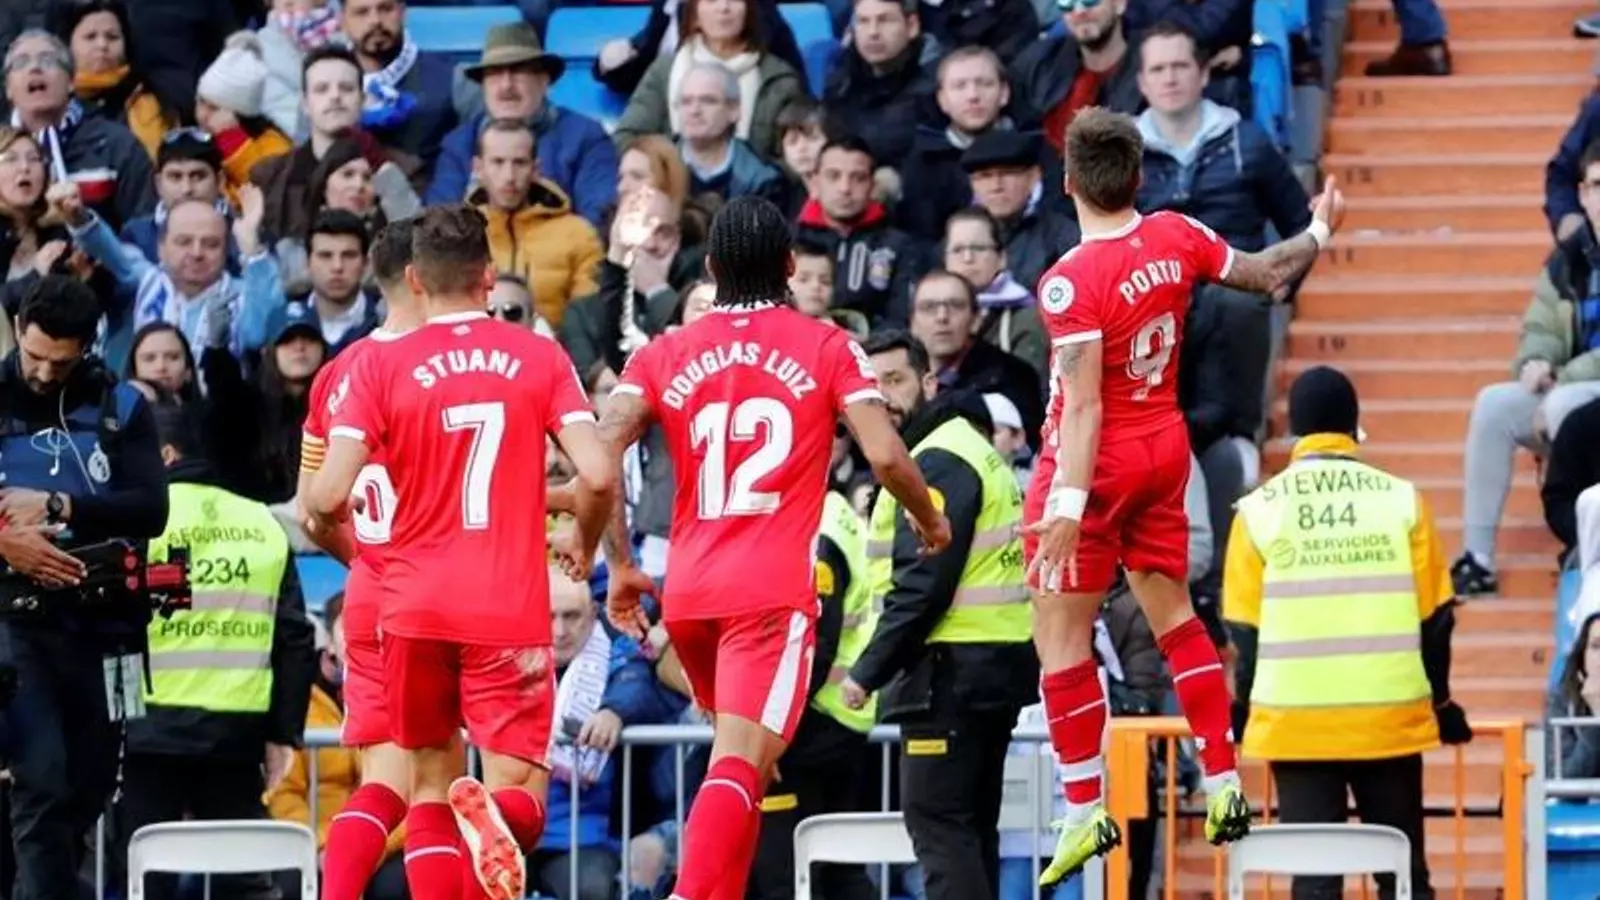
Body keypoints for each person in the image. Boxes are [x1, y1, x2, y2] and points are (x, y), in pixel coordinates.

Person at [592, 194, 951, 900]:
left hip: (689, 593)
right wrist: (929, 517)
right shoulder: (827, 345)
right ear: (790, 265)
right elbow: (884, 454)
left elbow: (601, 455)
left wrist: (624, 565)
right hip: (768, 593)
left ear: (712, 268)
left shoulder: (667, 350)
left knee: (748, 768)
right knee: (739, 762)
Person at [1023, 107, 1346, 884]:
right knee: (1173, 615)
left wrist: (1065, 508)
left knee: (1060, 639)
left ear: (1068, 183)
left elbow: (1085, 405)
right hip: (1166, 449)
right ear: (1139, 177)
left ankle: (1083, 808)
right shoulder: (1176, 234)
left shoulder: (1068, 282)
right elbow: (1265, 273)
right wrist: (1318, 231)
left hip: (1095, 461)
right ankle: (1225, 777)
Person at [307, 204, 619, 900]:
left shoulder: (376, 365)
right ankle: (499, 824)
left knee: (424, 791)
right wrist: (581, 535)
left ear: (416, 280)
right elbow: (599, 475)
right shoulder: (537, 355)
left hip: (410, 605)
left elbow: (322, 499)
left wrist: (365, 549)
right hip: (505, 605)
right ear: (488, 276)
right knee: (519, 796)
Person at [1223, 366, 1469, 900]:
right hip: (1389, 719)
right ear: (1354, 425)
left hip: (1296, 725)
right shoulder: (1402, 501)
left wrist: (1242, 707)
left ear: (1295, 428)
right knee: (1404, 878)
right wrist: (1442, 704)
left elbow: (1244, 631)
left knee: (1316, 882)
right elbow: (1436, 619)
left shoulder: (1259, 512)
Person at [843, 331, 1038, 900]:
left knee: (940, 828)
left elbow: (923, 583)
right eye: (871, 387)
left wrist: (867, 671)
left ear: (928, 383)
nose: (883, 397)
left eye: (896, 380)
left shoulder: (934, 460)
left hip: (949, 673)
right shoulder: (962, 447)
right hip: (984, 666)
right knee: (970, 831)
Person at [0, 275, 168, 900]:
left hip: (107, 627)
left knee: (91, 785)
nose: (44, 374)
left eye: (61, 362)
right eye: (34, 356)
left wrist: (59, 504)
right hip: (17, 624)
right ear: (18, 329)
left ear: (89, 347)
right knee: (40, 779)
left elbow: (150, 509)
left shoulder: (122, 407)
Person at [297, 218, 450, 900]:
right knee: (437, 790)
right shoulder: (445, 368)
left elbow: (312, 508)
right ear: (424, 278)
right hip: (443, 596)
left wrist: (365, 562)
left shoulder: (336, 373)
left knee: (383, 785)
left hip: (369, 593)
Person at [114, 393, 316, 900]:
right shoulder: (262, 524)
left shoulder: (134, 524)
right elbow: (294, 637)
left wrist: (114, 722)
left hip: (147, 734)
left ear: (164, 455)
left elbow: (110, 630)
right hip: (236, 736)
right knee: (240, 878)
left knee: (144, 878)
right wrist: (284, 733)